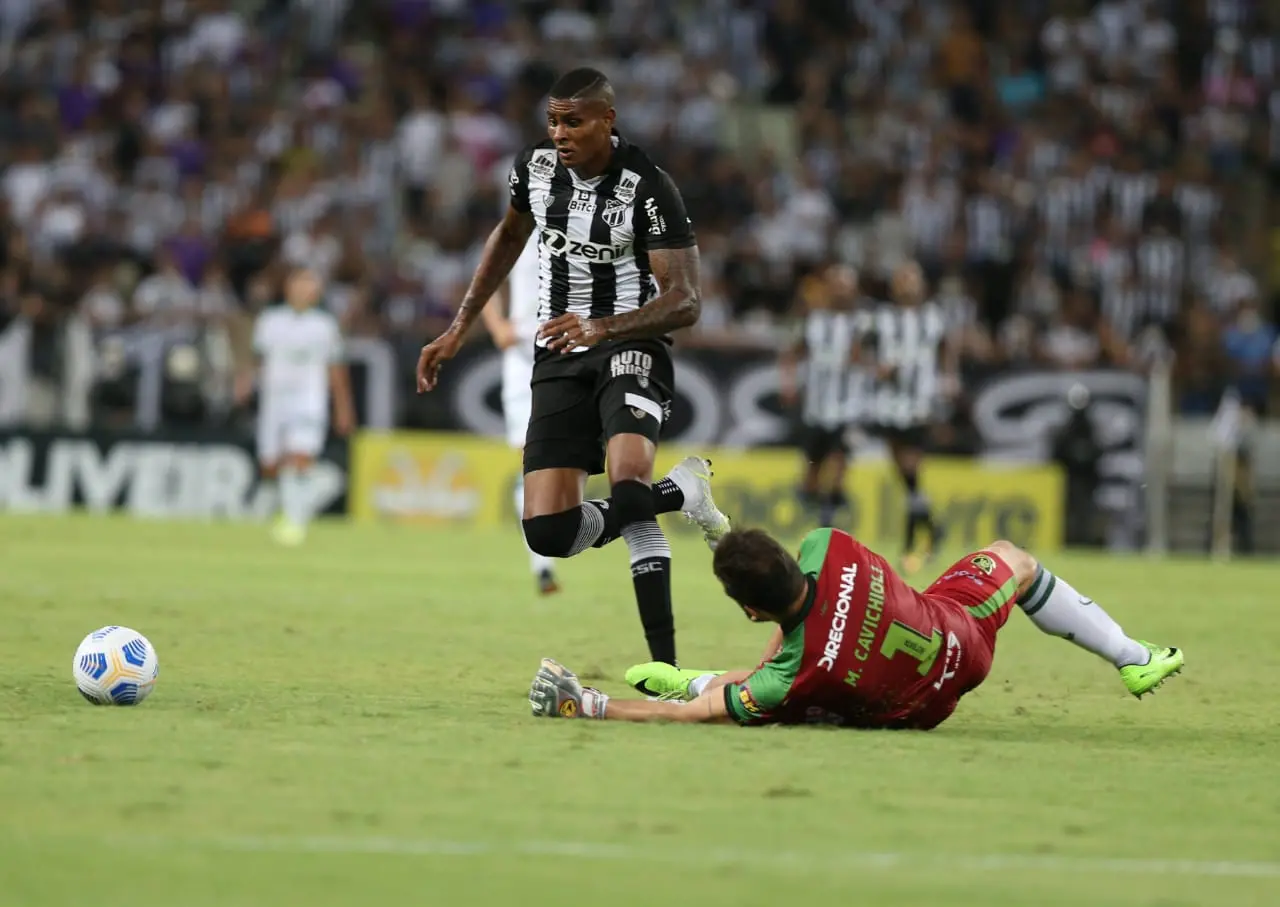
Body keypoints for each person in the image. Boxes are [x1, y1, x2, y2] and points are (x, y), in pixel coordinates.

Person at [416, 67, 729, 666]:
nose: (559, 133)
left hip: (630, 344)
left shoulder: (647, 186)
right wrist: (458, 327)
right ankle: (682, 491)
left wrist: (602, 326)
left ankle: (664, 670)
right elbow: (508, 237)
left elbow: (686, 301)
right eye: (553, 121)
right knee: (548, 533)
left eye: (573, 122)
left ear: (607, 121)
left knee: (628, 486)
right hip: (560, 353)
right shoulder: (534, 168)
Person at [529, 525, 1184, 727]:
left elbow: (696, 716)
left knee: (783, 697)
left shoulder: (794, 670)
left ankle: (708, 679)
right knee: (1014, 559)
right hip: (960, 639)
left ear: (752, 611)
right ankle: (1131, 656)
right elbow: (798, 610)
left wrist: (593, 705)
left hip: (918, 710)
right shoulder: (828, 543)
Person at [239, 268, 355, 546]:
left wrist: (343, 408)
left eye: (309, 286)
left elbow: (336, 369)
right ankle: (266, 517)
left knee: (298, 457)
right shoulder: (270, 321)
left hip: (308, 400)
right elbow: (258, 357)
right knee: (270, 465)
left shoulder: (324, 325)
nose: (304, 291)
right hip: (274, 400)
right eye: (299, 285)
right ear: (288, 289)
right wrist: (244, 381)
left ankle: (293, 522)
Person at [480, 232, 561, 595]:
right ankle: (542, 567)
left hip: (569, 354)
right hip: (522, 358)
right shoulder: (515, 231)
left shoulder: (586, 225)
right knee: (531, 462)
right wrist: (497, 325)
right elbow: (486, 280)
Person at [866, 261, 954, 572]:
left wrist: (948, 378)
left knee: (910, 470)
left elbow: (947, 349)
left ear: (922, 284)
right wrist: (877, 369)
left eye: (912, 279)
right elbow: (863, 352)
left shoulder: (933, 317)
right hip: (889, 405)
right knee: (905, 477)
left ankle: (909, 544)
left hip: (919, 404)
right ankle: (931, 528)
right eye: (902, 279)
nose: (907, 285)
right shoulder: (881, 318)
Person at [778, 264, 873, 527]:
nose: (841, 291)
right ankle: (817, 502)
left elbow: (874, 359)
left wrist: (864, 360)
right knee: (812, 472)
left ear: (855, 290)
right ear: (828, 289)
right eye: (837, 285)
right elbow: (791, 353)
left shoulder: (864, 323)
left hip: (850, 407)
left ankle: (828, 515)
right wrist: (788, 384)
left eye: (846, 286)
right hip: (817, 408)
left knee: (839, 459)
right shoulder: (813, 322)